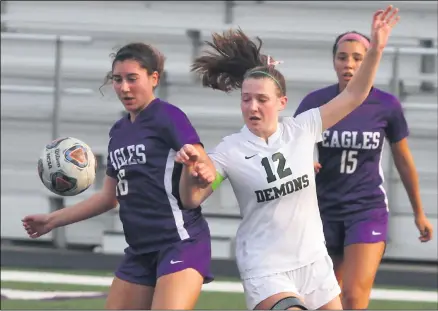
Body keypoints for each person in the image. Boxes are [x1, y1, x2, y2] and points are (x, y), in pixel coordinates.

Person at [174, 5, 400, 310]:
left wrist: (378, 47)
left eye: (261, 99)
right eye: (246, 99)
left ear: (282, 102)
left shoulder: (303, 128)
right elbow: (192, 199)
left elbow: (355, 94)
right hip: (266, 267)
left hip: (313, 262)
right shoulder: (231, 150)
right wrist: (192, 172)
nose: (252, 107)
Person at [22, 42, 215, 310]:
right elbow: (107, 198)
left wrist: (201, 171)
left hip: (180, 242)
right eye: (117, 79)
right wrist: (52, 221)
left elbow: (205, 164)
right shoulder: (118, 133)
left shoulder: (167, 117)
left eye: (132, 78)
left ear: (154, 78)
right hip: (139, 249)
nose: (124, 87)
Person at [293, 27, 434, 309]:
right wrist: (302, 161)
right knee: (323, 299)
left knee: (354, 298)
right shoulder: (315, 103)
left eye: (358, 58)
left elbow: (403, 160)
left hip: (366, 209)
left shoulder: (386, 105)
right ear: (333, 61)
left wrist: (419, 212)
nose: (349, 64)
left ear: (369, 61)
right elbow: (291, 147)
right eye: (343, 57)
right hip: (322, 210)